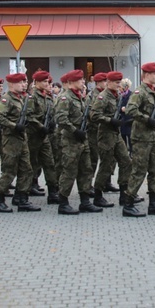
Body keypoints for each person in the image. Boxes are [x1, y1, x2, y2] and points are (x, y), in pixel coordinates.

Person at [122, 62, 155, 217]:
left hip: (153, 136)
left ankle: (154, 204)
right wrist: (147, 119)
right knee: (139, 170)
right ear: (147, 75)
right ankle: (128, 203)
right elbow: (130, 109)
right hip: (141, 137)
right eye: (154, 73)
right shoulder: (139, 92)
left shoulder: (153, 92)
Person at [53, 69, 101, 215]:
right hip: (70, 140)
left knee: (86, 170)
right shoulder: (65, 98)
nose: (83, 82)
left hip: (82, 139)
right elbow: (61, 119)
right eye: (80, 80)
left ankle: (85, 201)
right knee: (69, 171)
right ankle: (63, 202)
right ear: (72, 82)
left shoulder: (79, 97)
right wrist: (74, 130)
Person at [0, 73, 41, 213]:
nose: (23, 85)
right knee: (9, 171)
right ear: (11, 84)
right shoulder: (7, 99)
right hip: (11, 139)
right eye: (20, 83)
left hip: (22, 138)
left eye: (24, 82)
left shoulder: (21, 98)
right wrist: (13, 125)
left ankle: (21, 198)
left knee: (26, 169)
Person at [90, 71, 132, 208]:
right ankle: (98, 195)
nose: (118, 85)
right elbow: (94, 115)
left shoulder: (117, 96)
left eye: (119, 82)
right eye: (116, 82)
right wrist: (110, 120)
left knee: (126, 161)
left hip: (116, 133)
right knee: (106, 165)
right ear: (108, 82)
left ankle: (123, 194)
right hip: (106, 134)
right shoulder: (103, 97)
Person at [26, 70, 59, 203]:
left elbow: (52, 113)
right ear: (37, 83)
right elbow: (29, 116)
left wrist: (51, 124)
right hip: (33, 135)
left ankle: (53, 193)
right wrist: (41, 126)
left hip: (44, 136)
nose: (47, 84)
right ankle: (23, 193)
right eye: (44, 81)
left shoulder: (48, 97)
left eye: (48, 81)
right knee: (31, 165)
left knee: (49, 163)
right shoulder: (32, 98)